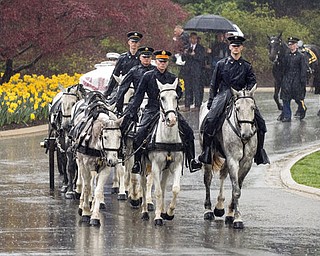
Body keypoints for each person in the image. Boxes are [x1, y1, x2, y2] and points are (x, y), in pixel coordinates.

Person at [122, 50, 202, 174]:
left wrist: (174, 97)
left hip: (169, 109)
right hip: (153, 108)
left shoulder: (172, 77)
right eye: (160, 61)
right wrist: (132, 111)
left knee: (188, 132)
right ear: (156, 61)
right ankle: (137, 163)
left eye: (165, 62)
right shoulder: (148, 76)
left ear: (167, 63)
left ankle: (192, 160)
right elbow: (139, 95)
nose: (162, 64)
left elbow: (180, 92)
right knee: (140, 133)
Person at [198, 35, 269, 165]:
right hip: (224, 94)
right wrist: (211, 100)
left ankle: (259, 152)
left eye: (238, 46)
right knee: (210, 120)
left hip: (243, 96)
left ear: (241, 48)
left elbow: (252, 81)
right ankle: (207, 152)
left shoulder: (247, 66)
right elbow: (214, 84)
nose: (236, 48)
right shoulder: (221, 64)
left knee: (261, 123)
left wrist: (246, 92)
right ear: (230, 47)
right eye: (233, 46)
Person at [115, 46, 154, 114]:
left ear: (151, 58)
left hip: (153, 101)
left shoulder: (156, 71)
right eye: (144, 57)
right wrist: (119, 105)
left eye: (148, 57)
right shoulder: (134, 70)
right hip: (137, 99)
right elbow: (123, 87)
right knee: (126, 117)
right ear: (140, 57)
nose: (146, 59)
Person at [104, 31, 143, 98]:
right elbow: (115, 75)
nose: (134, 44)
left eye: (136, 42)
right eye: (132, 42)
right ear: (129, 43)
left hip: (138, 86)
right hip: (124, 84)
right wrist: (107, 93)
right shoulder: (122, 58)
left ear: (138, 44)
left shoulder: (142, 58)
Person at [278, 37, 308, 122]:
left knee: (298, 98)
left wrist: (302, 81)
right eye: (289, 45)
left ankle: (303, 108)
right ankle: (287, 116)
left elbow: (303, 69)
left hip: (296, 80)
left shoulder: (301, 56)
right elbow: (283, 68)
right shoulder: (287, 56)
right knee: (285, 98)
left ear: (296, 45)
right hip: (287, 79)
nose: (291, 46)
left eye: (292, 44)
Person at [180, 32, 206, 112]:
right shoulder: (186, 47)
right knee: (187, 88)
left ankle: (197, 105)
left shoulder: (201, 48)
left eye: (195, 38)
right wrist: (185, 54)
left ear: (197, 39)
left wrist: (194, 55)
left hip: (197, 71)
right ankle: (187, 105)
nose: (193, 40)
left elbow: (202, 59)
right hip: (188, 71)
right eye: (191, 38)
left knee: (196, 88)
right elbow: (183, 59)